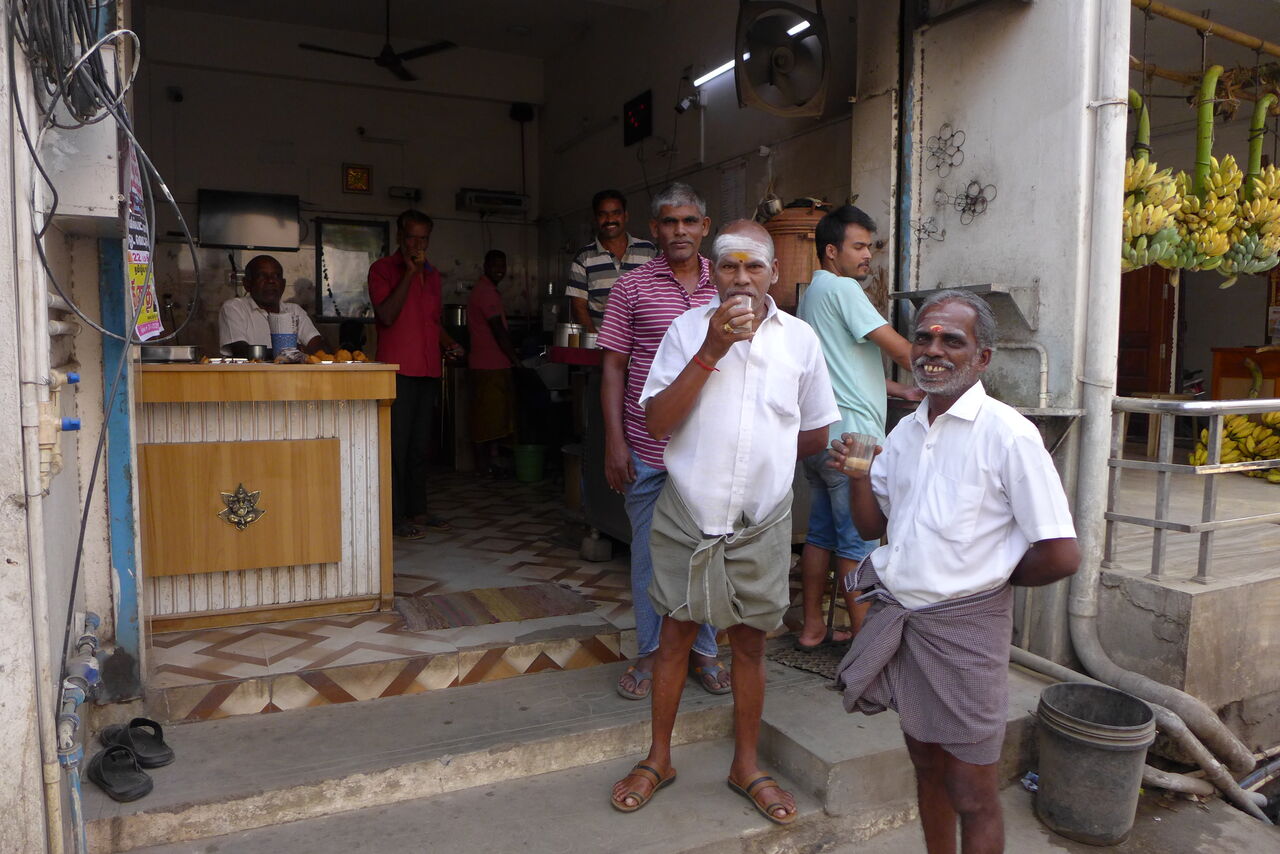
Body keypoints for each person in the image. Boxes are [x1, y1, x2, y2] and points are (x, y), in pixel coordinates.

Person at [832, 290, 1080, 854]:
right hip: (906, 623)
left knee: (972, 791)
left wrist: (987, 578)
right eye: (924, 337)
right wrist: (857, 476)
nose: (933, 350)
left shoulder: (1008, 435)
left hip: (968, 631)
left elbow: (1061, 554)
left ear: (982, 357)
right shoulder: (907, 431)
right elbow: (873, 525)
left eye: (952, 341)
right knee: (926, 766)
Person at [609, 221, 837, 825]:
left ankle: (746, 765)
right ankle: (659, 758)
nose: (741, 278)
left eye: (753, 266)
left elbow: (815, 430)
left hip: (761, 519)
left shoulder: (801, 341)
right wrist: (710, 351)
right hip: (688, 510)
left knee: (751, 645)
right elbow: (657, 422)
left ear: (774, 274)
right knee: (674, 639)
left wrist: (767, 463)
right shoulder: (686, 331)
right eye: (729, 266)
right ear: (713, 272)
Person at [597, 182, 728, 700]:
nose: (680, 231)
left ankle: (705, 649)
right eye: (670, 222)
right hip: (647, 447)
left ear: (705, 227)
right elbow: (613, 367)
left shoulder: (727, 284)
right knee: (650, 556)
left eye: (689, 221)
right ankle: (651, 650)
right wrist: (615, 443)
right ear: (654, 229)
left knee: (708, 551)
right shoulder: (631, 287)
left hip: (709, 447)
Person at [794, 205, 924, 651]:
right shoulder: (844, 289)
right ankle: (867, 647)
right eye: (859, 247)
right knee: (858, 544)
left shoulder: (813, 294)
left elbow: (841, 367)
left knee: (820, 537)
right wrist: (944, 366)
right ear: (832, 251)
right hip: (854, 440)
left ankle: (813, 627)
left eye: (870, 247)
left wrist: (899, 390)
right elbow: (902, 351)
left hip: (820, 435)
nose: (868, 255)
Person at [368, 209, 465, 539]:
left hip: (427, 368)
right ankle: (394, 516)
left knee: (420, 445)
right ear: (400, 236)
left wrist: (450, 344)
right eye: (412, 237)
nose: (418, 244)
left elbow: (431, 322)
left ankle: (418, 510)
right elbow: (386, 315)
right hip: (396, 370)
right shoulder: (382, 270)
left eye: (424, 239)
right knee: (395, 446)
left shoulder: (434, 275)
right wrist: (409, 274)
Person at [565, 189, 658, 333]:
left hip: (643, 343)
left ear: (626, 216)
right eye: (603, 214)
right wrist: (595, 342)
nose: (609, 220)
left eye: (616, 213)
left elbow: (660, 298)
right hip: (601, 343)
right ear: (595, 219)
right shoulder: (584, 258)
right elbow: (578, 308)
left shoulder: (648, 251)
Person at [467, 250, 519, 475]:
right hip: (489, 365)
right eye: (495, 265)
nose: (500, 270)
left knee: (493, 418)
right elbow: (498, 330)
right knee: (487, 419)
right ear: (485, 266)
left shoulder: (487, 291)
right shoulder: (486, 292)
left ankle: (491, 463)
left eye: (503, 265)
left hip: (491, 364)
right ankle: (484, 466)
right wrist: (516, 360)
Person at [219, 255, 324, 357]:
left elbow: (318, 349)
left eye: (276, 276)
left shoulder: (295, 311)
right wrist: (291, 352)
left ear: (283, 284)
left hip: (292, 370)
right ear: (247, 284)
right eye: (261, 276)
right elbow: (241, 352)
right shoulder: (234, 308)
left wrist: (296, 353)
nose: (271, 281)